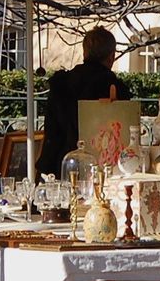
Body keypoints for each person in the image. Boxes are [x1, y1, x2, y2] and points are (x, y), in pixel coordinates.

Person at [39, 27, 128, 178]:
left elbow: (51, 129)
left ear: (84, 52)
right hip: (101, 167)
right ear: (111, 56)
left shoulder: (62, 83)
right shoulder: (113, 86)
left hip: (59, 164)